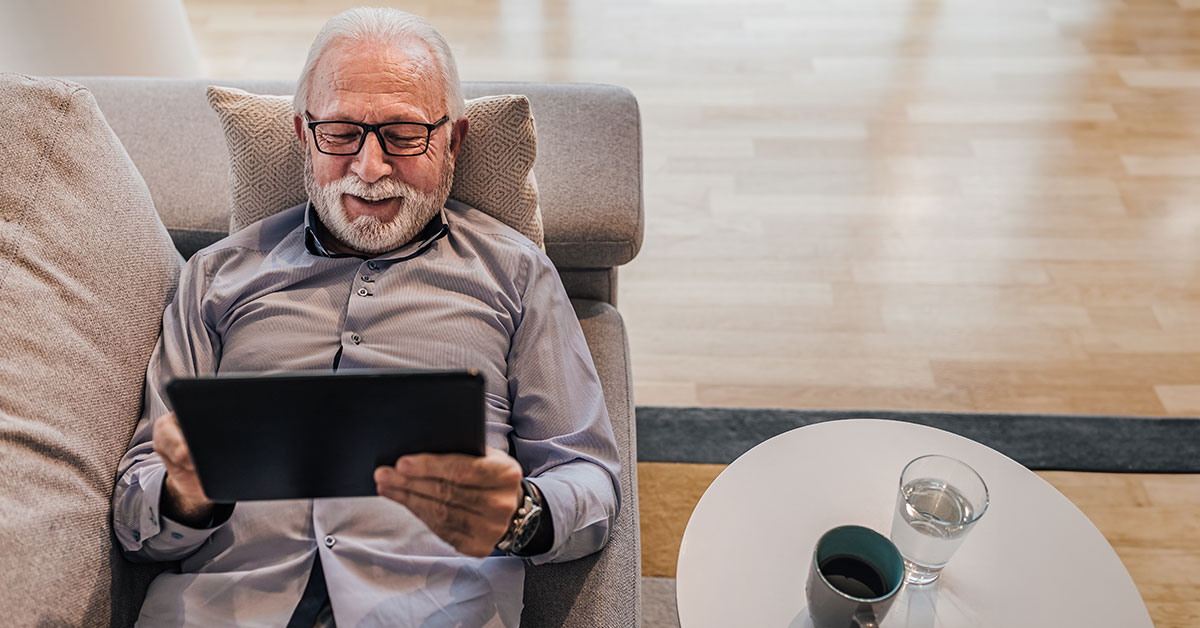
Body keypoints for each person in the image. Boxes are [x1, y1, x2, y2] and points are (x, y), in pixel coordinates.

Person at [111, 8, 620, 627]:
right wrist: (183, 496)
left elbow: (589, 478)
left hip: (430, 611)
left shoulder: (517, 275)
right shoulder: (215, 278)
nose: (370, 167)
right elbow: (136, 515)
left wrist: (523, 516)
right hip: (228, 609)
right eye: (342, 133)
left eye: (403, 135)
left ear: (454, 141)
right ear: (303, 134)